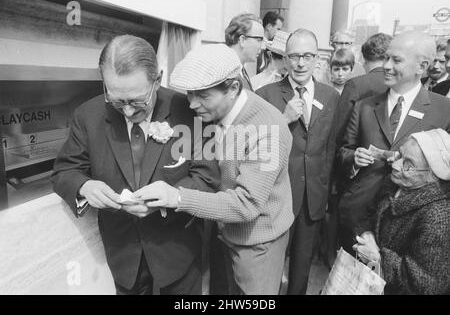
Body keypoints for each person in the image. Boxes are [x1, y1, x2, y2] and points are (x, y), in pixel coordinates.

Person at [51, 35, 220, 295]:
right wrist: (85, 186)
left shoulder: (188, 111)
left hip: (178, 253)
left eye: (138, 102)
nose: (128, 112)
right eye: (117, 101)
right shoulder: (88, 115)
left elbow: (207, 179)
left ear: (158, 79)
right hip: (123, 254)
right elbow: (64, 171)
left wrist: (170, 198)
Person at [133, 44, 294, 295]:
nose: (192, 104)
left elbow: (246, 205)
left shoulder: (267, 129)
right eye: (189, 93)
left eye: (203, 96)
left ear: (233, 88)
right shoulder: (212, 113)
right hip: (223, 233)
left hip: (257, 244)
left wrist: (177, 196)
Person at [337, 31, 450, 255]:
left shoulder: (443, 111)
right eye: (386, 57)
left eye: (396, 60)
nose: (386, 66)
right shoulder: (365, 106)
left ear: (421, 66)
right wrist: (354, 159)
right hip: (357, 217)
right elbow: (342, 151)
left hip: (409, 226)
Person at [256, 29, 340, 295]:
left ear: (317, 59)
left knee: (301, 270)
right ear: (285, 58)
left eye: (307, 56)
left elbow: (332, 147)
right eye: (294, 56)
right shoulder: (265, 94)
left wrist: (327, 192)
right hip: (276, 197)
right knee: (270, 269)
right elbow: (255, 148)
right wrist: (284, 118)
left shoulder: (331, 97)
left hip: (311, 199)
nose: (300, 62)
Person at [354, 129, 450, 295]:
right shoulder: (394, 183)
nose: (396, 165)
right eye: (399, 156)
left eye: (408, 165)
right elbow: (369, 213)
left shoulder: (438, 217)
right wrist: (366, 233)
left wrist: (378, 258)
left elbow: (426, 285)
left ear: (432, 176)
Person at [336, 33, 393, 146]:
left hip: (359, 154)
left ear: (364, 58)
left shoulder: (355, 85)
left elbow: (339, 128)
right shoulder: (399, 84)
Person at [225, 13, 265, 91]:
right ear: (242, 40)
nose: (263, 47)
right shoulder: (226, 72)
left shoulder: (240, 70)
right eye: (259, 40)